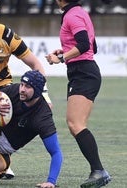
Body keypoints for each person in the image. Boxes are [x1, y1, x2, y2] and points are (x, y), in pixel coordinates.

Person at [45, 1, 111, 188]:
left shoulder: (72, 15)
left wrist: (60, 57)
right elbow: (93, 47)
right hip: (83, 72)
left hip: (83, 73)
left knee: (76, 124)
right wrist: (66, 51)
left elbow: (83, 45)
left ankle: (98, 171)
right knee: (76, 124)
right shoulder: (79, 12)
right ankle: (97, 170)